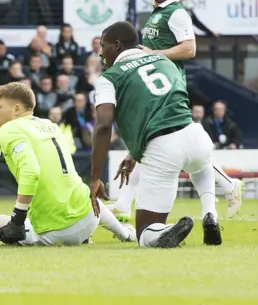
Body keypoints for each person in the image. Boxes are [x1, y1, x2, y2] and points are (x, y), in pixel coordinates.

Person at [106, 0, 243, 221]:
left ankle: (229, 185)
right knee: (153, 143)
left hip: (169, 88)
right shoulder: (156, 14)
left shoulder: (177, 13)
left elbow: (189, 49)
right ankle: (125, 202)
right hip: (155, 87)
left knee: (159, 142)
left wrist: (152, 55)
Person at [91, 21, 221, 248]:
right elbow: (165, 104)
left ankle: (165, 230)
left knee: (145, 234)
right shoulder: (163, 60)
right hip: (195, 135)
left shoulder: (109, 78)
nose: (101, 51)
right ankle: (210, 212)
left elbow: (103, 125)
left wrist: (94, 177)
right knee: (202, 163)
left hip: (162, 149)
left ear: (117, 45)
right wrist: (134, 152)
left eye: (103, 45)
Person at [0, 82, 135, 246]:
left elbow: (30, 172)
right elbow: (42, 156)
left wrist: (17, 221)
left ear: (16, 109)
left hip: (58, 231)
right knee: (79, 192)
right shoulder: (49, 125)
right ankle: (125, 233)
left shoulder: (9, 128)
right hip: (90, 216)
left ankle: (41, 231)